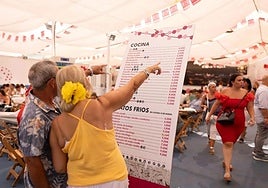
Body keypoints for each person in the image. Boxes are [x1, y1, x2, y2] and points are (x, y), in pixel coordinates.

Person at [49, 63, 161, 187]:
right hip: (114, 178)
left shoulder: (57, 124)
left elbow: (60, 167)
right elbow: (132, 86)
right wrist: (147, 70)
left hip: (80, 183)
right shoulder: (102, 104)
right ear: (84, 82)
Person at [18, 60, 106, 188]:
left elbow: (70, 80)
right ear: (52, 83)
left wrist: (89, 72)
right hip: (50, 182)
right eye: (59, 77)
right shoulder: (35, 118)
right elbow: (32, 161)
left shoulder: (50, 99)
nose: (63, 81)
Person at [206, 73, 255, 183]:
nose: (241, 82)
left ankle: (226, 161)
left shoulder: (247, 93)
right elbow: (216, 104)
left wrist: (252, 117)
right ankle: (227, 170)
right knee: (228, 143)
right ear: (232, 82)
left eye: (242, 80)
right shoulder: (225, 91)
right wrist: (209, 115)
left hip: (239, 123)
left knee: (231, 143)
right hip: (225, 122)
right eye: (238, 80)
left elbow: (250, 107)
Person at [201, 81, 220, 155]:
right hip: (208, 114)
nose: (214, 88)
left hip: (216, 115)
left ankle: (212, 147)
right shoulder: (205, 96)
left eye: (215, 87)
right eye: (212, 87)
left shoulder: (218, 95)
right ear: (209, 88)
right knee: (209, 130)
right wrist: (204, 106)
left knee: (213, 131)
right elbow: (201, 104)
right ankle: (209, 139)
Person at [252, 75, 268, 162]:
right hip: (262, 117)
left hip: (261, 116)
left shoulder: (262, 89)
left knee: (260, 134)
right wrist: (266, 117)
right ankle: (258, 153)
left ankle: (257, 151)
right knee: (262, 135)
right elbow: (264, 106)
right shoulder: (264, 91)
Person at [238, 77, 253, 143]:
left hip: (247, 109)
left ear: (248, 84)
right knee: (239, 123)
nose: (243, 83)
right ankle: (242, 133)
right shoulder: (239, 90)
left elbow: (252, 101)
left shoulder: (251, 91)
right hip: (240, 108)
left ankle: (242, 137)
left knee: (244, 124)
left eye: (244, 82)